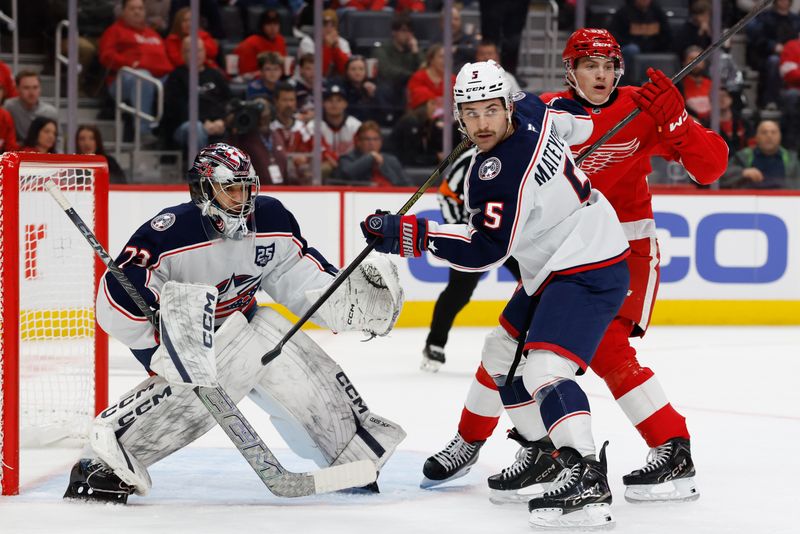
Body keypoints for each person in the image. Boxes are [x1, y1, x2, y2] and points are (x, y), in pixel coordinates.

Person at [422, 29, 728, 507]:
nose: (601, 75)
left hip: (623, 248)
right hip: (558, 255)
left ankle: (671, 445)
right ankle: (485, 442)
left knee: (604, 350)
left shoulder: (641, 107)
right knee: (506, 343)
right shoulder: (541, 114)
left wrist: (680, 122)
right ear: (570, 71)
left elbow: (711, 169)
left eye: (608, 66)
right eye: (590, 65)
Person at [361, 60, 630, 529]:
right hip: (554, 262)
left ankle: (585, 474)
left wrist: (409, 235)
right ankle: (542, 452)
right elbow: (580, 123)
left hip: (589, 262)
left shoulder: (495, 172)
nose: (482, 123)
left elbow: (485, 250)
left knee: (546, 367)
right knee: (500, 351)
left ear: (506, 106)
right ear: (459, 115)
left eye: (490, 111)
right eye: (471, 112)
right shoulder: (536, 107)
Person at [63, 143, 406, 503]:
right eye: (231, 188)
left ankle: (350, 449)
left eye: (246, 187)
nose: (242, 198)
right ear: (204, 189)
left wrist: (346, 297)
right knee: (235, 354)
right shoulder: (169, 232)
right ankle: (107, 460)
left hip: (243, 321)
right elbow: (117, 298)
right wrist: (161, 335)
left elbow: (298, 272)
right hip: (177, 341)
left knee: (277, 340)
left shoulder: (271, 218)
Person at [420, 145, 520, 371]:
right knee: (458, 292)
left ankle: (534, 345)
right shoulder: (470, 158)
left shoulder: (520, 151)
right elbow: (447, 195)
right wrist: (461, 228)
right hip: (477, 237)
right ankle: (435, 344)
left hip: (513, 236)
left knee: (534, 287)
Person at [98, 0, 172, 135]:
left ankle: (171, 133)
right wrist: (130, 63)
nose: (137, 12)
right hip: (125, 80)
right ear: (123, 11)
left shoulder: (153, 34)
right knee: (143, 77)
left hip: (159, 77)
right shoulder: (114, 31)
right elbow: (106, 56)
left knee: (180, 80)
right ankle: (143, 132)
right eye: (132, 9)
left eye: (140, 8)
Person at [160, 37, 231, 152]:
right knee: (195, 128)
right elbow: (177, 109)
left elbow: (228, 100)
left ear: (204, 52)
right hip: (185, 126)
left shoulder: (215, 75)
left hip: (217, 122)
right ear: (183, 54)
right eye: (190, 51)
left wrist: (222, 120)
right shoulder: (176, 77)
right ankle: (201, 168)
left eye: (199, 50)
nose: (195, 54)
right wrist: (204, 122)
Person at [721, 119, 800, 189]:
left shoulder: (791, 159)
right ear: (756, 137)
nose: (769, 136)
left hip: (784, 201)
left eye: (773, 132)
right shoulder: (744, 156)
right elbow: (721, 175)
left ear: (780, 136)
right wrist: (743, 172)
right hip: (749, 201)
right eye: (764, 132)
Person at [334, 121, 411, 186]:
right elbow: (347, 174)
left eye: (375, 139)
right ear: (358, 142)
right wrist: (370, 157)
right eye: (367, 139)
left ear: (381, 142)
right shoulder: (347, 159)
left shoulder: (391, 160)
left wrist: (382, 166)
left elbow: (408, 186)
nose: (371, 143)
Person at [4, 71, 59, 140]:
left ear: (40, 89)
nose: (31, 92)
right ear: (17, 89)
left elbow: (58, 139)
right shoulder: (9, 107)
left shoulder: (50, 112)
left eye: (35, 87)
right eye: (26, 88)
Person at [297, 9, 351, 78]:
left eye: (332, 25)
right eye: (325, 24)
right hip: (306, 83)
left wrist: (336, 48)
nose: (329, 28)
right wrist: (327, 46)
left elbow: (346, 70)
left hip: (333, 84)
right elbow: (316, 72)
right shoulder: (308, 42)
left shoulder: (342, 43)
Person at [234, 9, 287, 78]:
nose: (273, 28)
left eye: (276, 24)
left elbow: (284, 66)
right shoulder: (250, 42)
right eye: (268, 24)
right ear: (262, 26)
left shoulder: (281, 40)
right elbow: (246, 73)